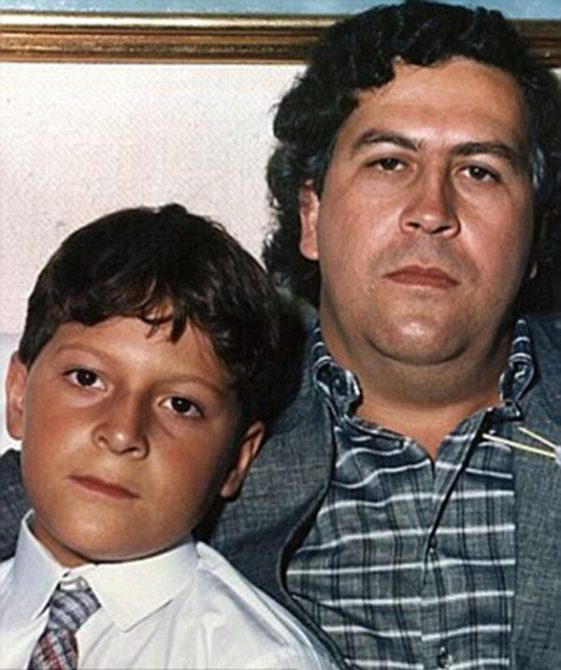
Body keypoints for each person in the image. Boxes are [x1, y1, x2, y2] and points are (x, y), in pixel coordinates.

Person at [2, 1, 561, 669]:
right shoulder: (213, 393)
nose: (431, 211)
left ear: (535, 237)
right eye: (388, 163)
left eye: (479, 171)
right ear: (311, 214)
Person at [0, 204, 336, 669]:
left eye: (180, 405)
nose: (123, 432)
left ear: (237, 460)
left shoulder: (261, 660)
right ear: (18, 396)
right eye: (87, 379)